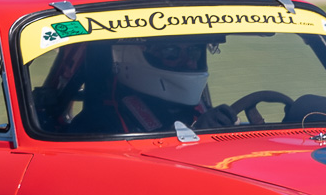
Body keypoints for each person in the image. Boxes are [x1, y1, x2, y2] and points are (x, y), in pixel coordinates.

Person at [67, 37, 238, 134]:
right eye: (171, 52)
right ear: (133, 57)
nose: (190, 63)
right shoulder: (98, 124)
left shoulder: (200, 109)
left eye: (194, 52)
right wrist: (197, 134)